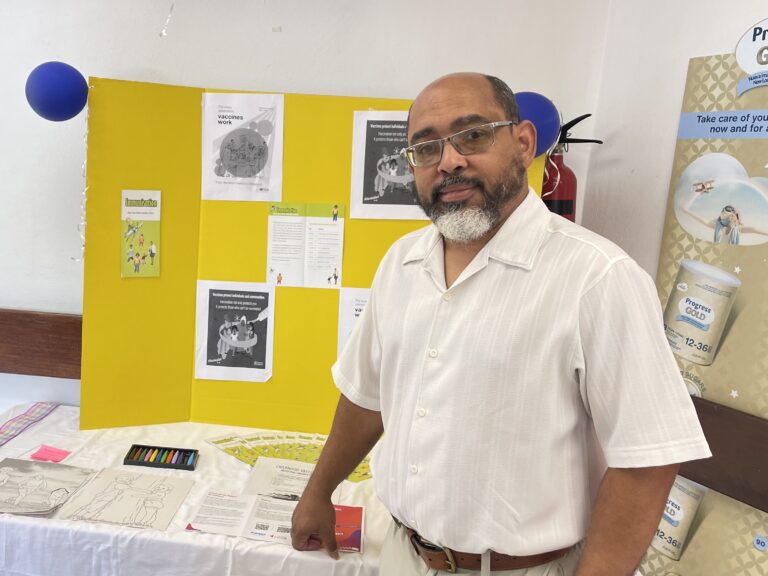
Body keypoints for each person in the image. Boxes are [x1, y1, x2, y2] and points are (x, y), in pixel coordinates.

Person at [290, 73, 710, 576]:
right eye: (426, 147)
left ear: (524, 143)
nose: (449, 161)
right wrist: (318, 491)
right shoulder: (401, 262)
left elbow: (647, 459)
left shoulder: (598, 278)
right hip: (405, 553)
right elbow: (367, 395)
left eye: (473, 135)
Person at [678, 202, 768, 245]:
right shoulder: (717, 225)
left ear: (732, 217)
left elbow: (755, 230)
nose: (723, 215)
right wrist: (686, 211)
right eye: (723, 213)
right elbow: (701, 219)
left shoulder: (737, 229)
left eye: (728, 215)